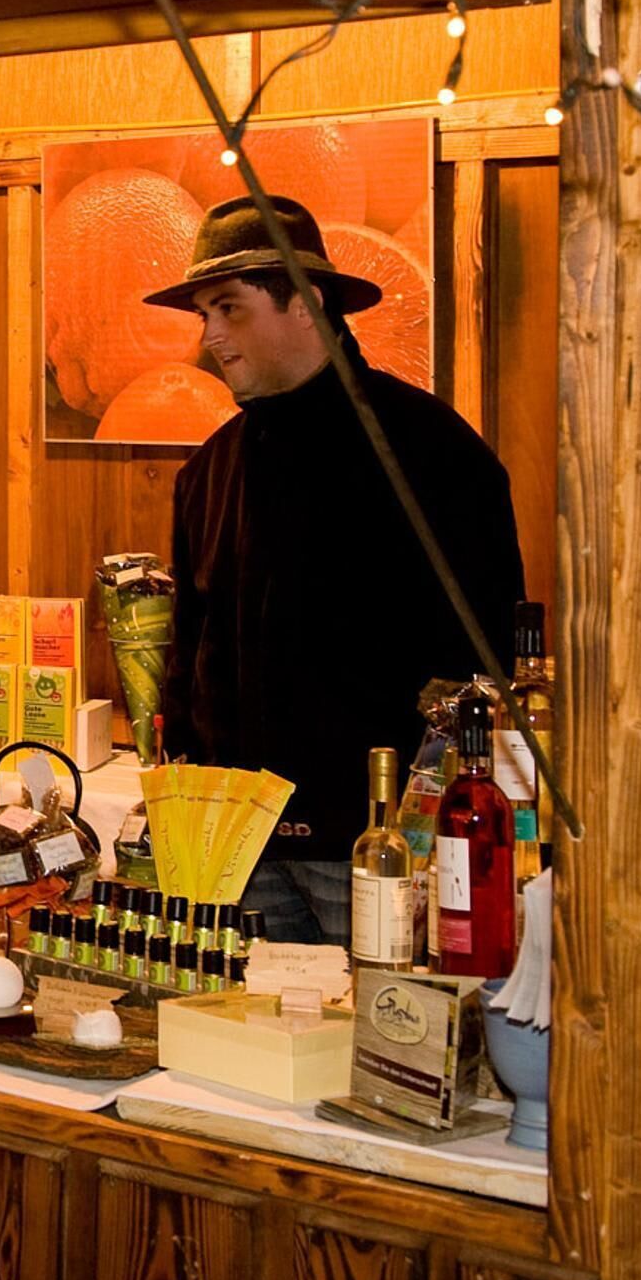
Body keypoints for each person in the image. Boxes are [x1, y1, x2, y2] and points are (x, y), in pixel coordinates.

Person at [146, 195, 525, 944]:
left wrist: (428, 825)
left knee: (387, 1055)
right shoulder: (206, 474)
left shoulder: (434, 455)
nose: (211, 336)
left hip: (376, 848)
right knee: (238, 1055)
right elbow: (188, 658)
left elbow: (486, 667)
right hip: (232, 849)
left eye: (230, 308)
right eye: (203, 315)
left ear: (307, 302)